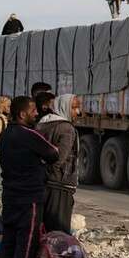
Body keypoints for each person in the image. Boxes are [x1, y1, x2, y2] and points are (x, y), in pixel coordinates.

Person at [0, 96, 59, 258]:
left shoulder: (5, 135)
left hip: (10, 195)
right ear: (22, 114)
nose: (36, 113)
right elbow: (53, 153)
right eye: (32, 110)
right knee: (26, 243)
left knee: (9, 241)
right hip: (29, 197)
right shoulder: (29, 135)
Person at [37, 94, 81, 234]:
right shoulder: (67, 128)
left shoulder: (43, 123)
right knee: (58, 232)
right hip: (59, 185)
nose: (78, 112)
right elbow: (59, 159)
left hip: (42, 183)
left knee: (42, 229)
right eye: (74, 108)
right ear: (64, 107)